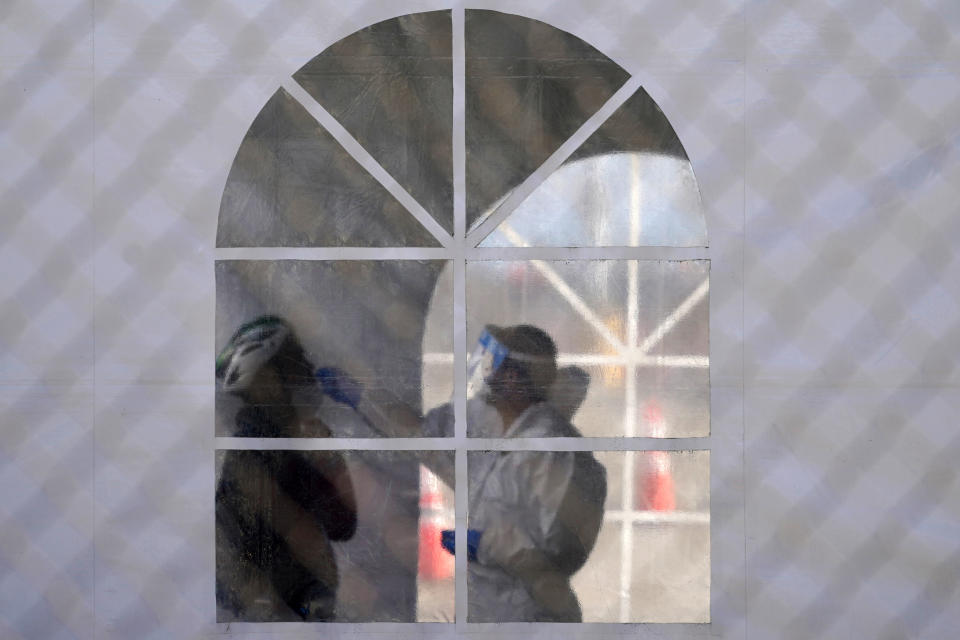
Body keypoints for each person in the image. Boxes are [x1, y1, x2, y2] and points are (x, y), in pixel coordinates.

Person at [323, 324, 606, 622]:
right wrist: (363, 399)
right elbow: (422, 437)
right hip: (487, 610)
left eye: (491, 364)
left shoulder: (555, 453)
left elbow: (556, 550)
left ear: (512, 378)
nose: (486, 375)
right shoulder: (493, 432)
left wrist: (485, 544)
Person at [214, 315, 357, 621]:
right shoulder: (254, 453)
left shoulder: (293, 444)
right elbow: (235, 563)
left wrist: (329, 460)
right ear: (266, 382)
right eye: (293, 362)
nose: (307, 369)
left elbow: (342, 526)